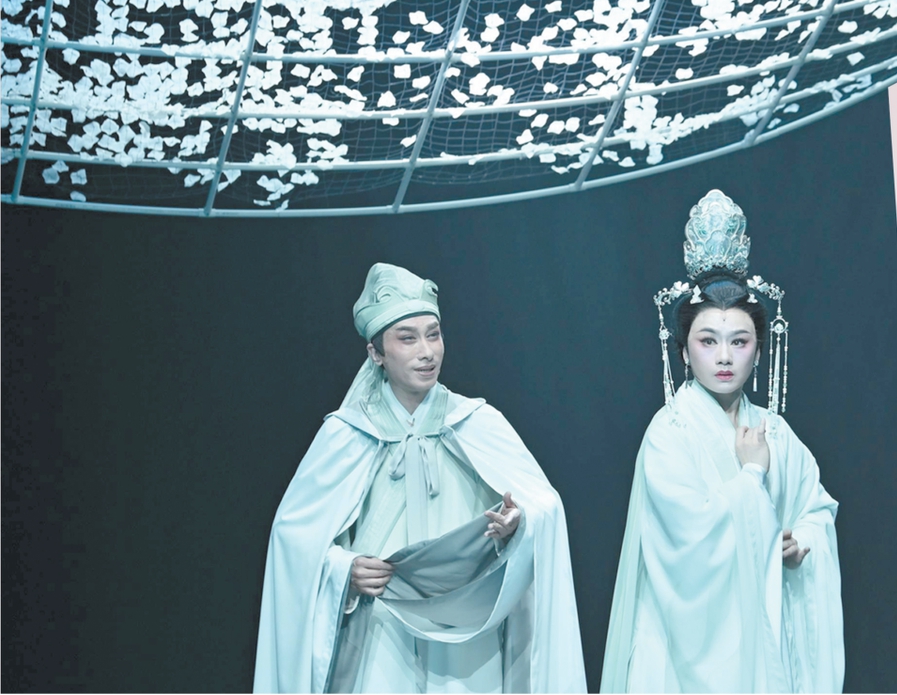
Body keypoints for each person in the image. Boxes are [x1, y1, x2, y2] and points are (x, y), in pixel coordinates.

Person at [253, 263, 586, 693]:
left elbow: (543, 507)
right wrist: (343, 568)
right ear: (376, 353)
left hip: (465, 627)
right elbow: (294, 539)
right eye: (407, 338)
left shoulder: (477, 422)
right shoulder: (348, 433)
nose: (427, 352)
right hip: (381, 627)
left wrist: (516, 525)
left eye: (434, 334)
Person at [600, 190, 843, 693]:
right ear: (684, 352)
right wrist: (752, 476)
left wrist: (802, 542)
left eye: (740, 341)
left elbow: (816, 508)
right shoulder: (668, 432)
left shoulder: (776, 432)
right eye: (708, 341)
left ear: (759, 348)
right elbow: (687, 546)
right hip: (679, 652)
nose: (725, 357)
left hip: (766, 632)